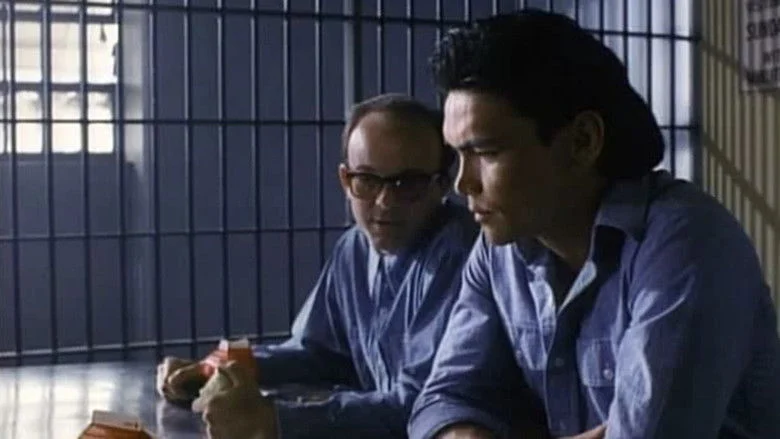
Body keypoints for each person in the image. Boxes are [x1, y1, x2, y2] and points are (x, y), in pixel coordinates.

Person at [408, 10, 780, 439]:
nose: (462, 183)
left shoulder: (688, 242)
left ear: (582, 141)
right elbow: (442, 401)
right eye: (457, 155)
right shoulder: (499, 249)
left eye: (487, 153)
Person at [157, 93, 479, 438]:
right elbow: (318, 352)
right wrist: (220, 369)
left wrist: (276, 420)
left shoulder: (458, 253)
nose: (385, 201)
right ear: (345, 180)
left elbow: (425, 404)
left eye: (408, 184)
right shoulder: (354, 248)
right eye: (367, 180)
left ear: (442, 184)